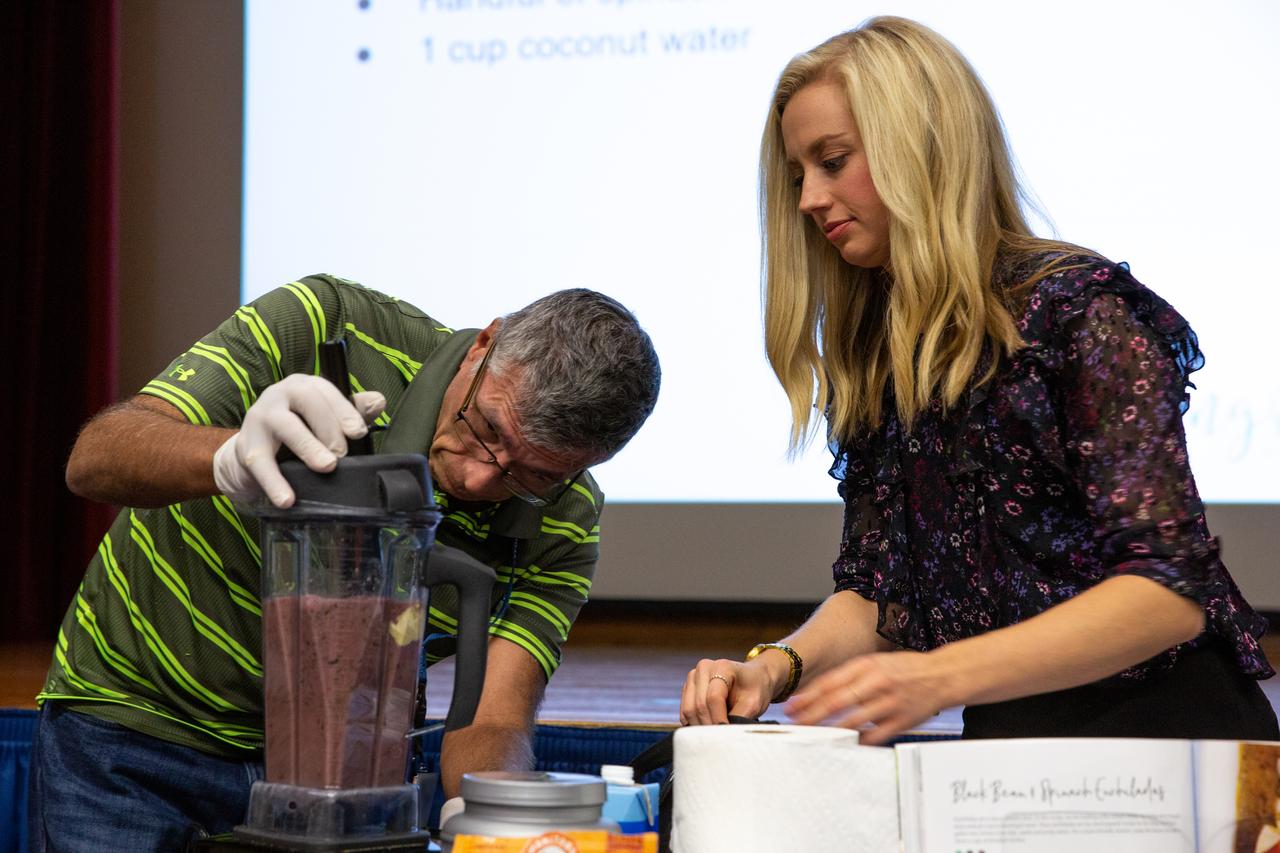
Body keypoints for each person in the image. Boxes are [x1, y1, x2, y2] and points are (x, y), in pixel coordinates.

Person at [680, 16, 1276, 744]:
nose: (807, 199)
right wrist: (776, 667)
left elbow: (1166, 592)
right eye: (800, 173)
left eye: (832, 160)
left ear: (921, 149)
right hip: (1007, 747)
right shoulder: (883, 354)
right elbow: (878, 597)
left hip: (1170, 744)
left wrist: (942, 675)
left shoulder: (1081, 312)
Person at [29, 276, 660, 850]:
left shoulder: (564, 516)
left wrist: (491, 823)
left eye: (532, 474)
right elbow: (95, 459)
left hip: (337, 781)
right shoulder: (320, 325)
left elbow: (492, 717)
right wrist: (231, 456)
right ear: (483, 346)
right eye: (486, 428)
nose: (475, 476)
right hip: (133, 736)